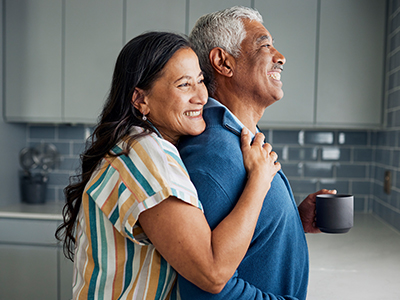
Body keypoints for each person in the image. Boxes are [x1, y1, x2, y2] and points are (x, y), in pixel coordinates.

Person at [55, 31, 281, 299]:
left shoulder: (140, 146)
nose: (201, 97)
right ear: (141, 100)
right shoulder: (146, 155)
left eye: (200, 81)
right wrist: (259, 180)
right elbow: (213, 272)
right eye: (184, 85)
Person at [177, 6, 337, 300]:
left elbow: (240, 234)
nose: (281, 56)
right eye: (264, 45)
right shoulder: (214, 155)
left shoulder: (239, 139)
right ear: (223, 62)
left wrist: (290, 221)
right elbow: (205, 291)